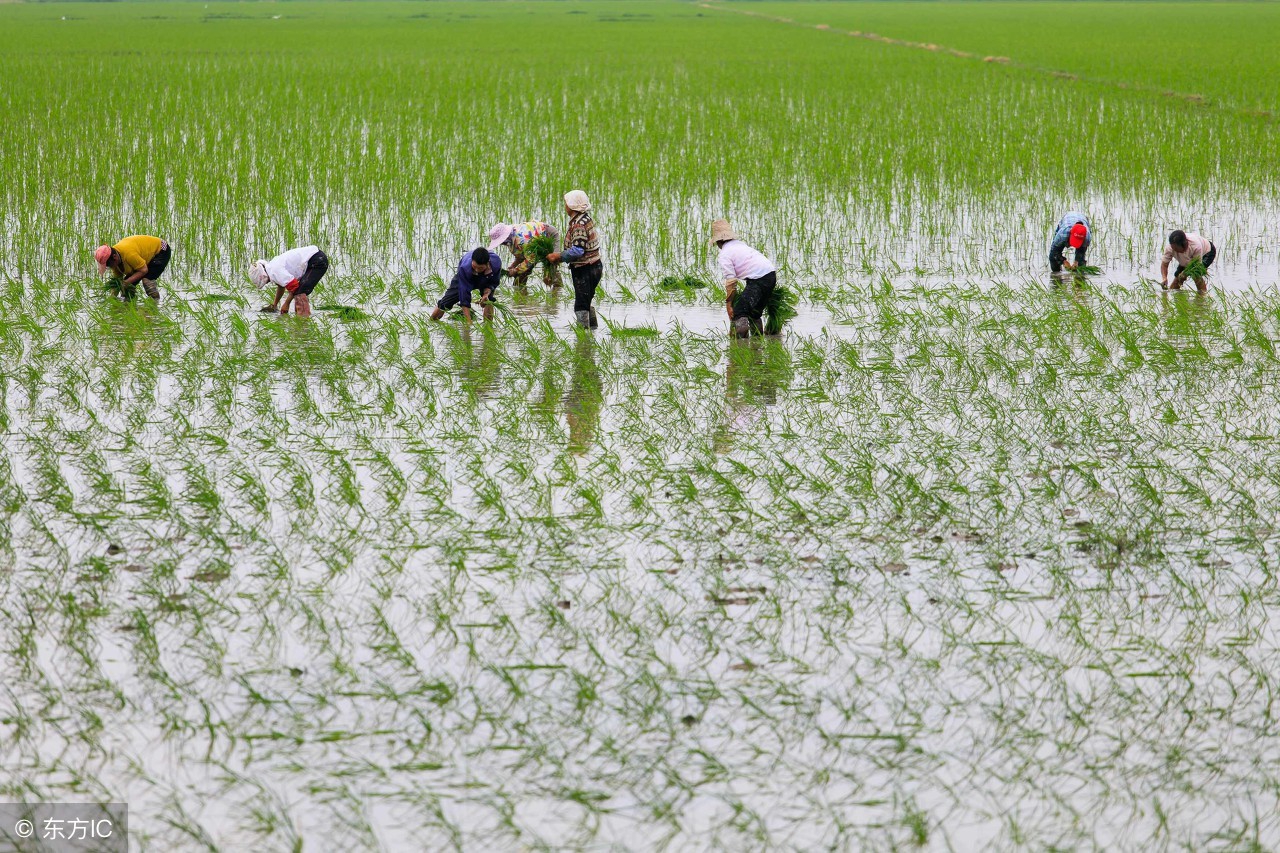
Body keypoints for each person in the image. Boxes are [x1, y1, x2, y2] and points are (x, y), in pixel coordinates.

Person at [711, 219, 777, 337]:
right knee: (755, 312)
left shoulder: (724, 254)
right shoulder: (739, 244)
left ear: (718, 242)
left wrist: (729, 304)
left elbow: (731, 282)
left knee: (739, 311)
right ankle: (757, 342)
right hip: (771, 274)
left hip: (758, 278)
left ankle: (740, 343)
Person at [546, 190, 602, 329]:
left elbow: (578, 250)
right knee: (586, 300)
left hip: (585, 269)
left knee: (581, 304)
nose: (565, 206)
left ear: (572, 206)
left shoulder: (578, 224)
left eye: (566, 203)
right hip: (595, 265)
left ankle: (583, 335)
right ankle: (593, 330)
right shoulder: (585, 218)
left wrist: (558, 256)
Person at [248, 246, 329, 317]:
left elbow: (295, 286)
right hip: (315, 257)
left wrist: (286, 304)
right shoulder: (272, 267)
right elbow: (281, 285)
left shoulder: (275, 271)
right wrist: (274, 305)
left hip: (317, 261)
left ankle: (303, 322)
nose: (267, 283)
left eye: (266, 282)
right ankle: (300, 317)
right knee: (299, 291)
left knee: (300, 292)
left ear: (262, 276)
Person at [431, 247, 501, 322]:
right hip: (466, 275)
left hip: (486, 277)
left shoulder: (495, 264)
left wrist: (486, 294)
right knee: (445, 303)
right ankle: (432, 322)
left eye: (480, 268)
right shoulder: (464, 268)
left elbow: (493, 283)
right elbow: (464, 296)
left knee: (489, 300)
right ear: (472, 261)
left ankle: (488, 326)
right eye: (474, 266)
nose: (477, 270)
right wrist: (468, 322)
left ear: (487, 264)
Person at [487, 221, 563, 289]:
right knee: (520, 276)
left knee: (550, 271)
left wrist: (516, 270)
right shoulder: (511, 240)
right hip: (535, 244)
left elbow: (531, 260)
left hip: (548, 236)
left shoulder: (522, 239)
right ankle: (521, 294)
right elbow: (521, 256)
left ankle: (558, 292)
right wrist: (513, 266)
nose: (501, 244)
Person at [93, 235, 171, 300]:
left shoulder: (129, 254)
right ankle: (130, 304)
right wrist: (112, 298)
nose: (109, 267)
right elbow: (118, 280)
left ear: (114, 257)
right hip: (143, 257)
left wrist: (126, 282)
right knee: (127, 288)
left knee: (147, 281)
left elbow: (143, 270)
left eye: (108, 265)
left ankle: (155, 304)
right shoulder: (114, 259)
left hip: (161, 249)